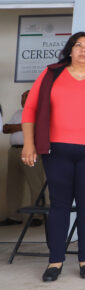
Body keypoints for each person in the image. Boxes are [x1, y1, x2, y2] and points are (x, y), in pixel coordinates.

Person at [21, 32, 85, 282]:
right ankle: (55, 260)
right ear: (70, 49)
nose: (83, 50)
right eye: (78, 45)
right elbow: (31, 108)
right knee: (59, 205)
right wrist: (29, 144)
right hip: (56, 150)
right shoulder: (51, 74)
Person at [1, 91, 47, 227]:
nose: (22, 99)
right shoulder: (18, 113)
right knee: (13, 184)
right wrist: (24, 126)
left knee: (35, 184)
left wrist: (16, 127)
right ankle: (14, 216)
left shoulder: (40, 112)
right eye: (21, 97)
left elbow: (37, 127)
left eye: (25, 97)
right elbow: (5, 129)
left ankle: (37, 216)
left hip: (31, 151)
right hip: (14, 151)